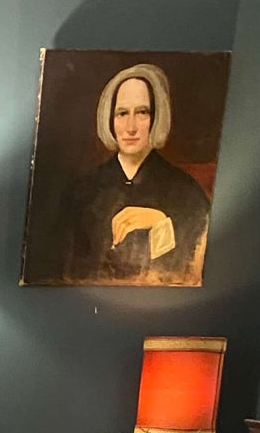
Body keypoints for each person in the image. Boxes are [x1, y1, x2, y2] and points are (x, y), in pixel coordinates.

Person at [61, 62, 210, 284]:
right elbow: (68, 273)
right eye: (122, 113)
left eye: (142, 112)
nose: (130, 127)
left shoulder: (186, 192)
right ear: (110, 120)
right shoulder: (84, 191)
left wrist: (162, 224)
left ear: (157, 117)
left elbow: (190, 274)